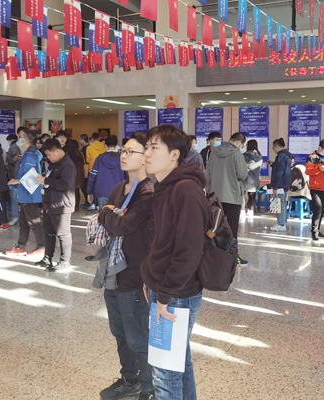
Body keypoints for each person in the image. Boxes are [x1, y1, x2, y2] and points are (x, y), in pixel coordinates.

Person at [141, 124, 208, 400]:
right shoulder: (165, 187)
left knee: (165, 372)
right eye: (146, 147)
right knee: (179, 361)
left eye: (154, 148)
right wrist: (151, 277)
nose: (147, 153)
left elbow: (189, 250)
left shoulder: (185, 190)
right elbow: (162, 241)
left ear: (174, 155)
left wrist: (165, 292)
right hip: (167, 287)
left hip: (177, 292)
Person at [97, 132, 155, 400]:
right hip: (112, 272)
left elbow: (121, 225)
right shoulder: (120, 188)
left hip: (134, 275)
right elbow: (108, 220)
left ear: (146, 157)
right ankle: (129, 379)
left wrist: (108, 213)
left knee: (138, 338)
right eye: (123, 150)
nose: (124, 155)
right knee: (119, 334)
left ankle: (149, 388)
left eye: (131, 151)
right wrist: (110, 214)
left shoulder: (148, 192)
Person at [37, 138, 76, 270]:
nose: (48, 157)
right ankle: (47, 258)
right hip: (49, 203)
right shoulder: (54, 163)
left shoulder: (67, 166)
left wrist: (46, 180)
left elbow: (65, 185)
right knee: (48, 233)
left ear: (57, 151)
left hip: (61, 205)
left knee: (63, 234)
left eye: (49, 155)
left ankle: (65, 261)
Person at [6, 130, 45, 257]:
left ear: (25, 140)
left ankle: (41, 247)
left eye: (20, 138)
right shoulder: (28, 154)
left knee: (34, 222)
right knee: (23, 222)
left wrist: (16, 181)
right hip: (25, 194)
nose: (18, 140)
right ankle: (21, 246)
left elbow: (31, 176)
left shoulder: (30, 156)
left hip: (29, 195)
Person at [205, 132, 248, 240]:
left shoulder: (214, 153)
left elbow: (207, 175)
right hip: (233, 196)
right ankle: (231, 248)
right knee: (232, 225)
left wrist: (209, 192)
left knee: (216, 225)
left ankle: (216, 248)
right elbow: (242, 175)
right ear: (239, 142)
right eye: (241, 145)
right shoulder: (236, 153)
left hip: (216, 197)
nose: (240, 147)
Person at [88, 135, 126, 210]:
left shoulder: (99, 159)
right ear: (116, 145)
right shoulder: (122, 159)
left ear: (105, 145)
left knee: (103, 215)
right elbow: (128, 176)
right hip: (119, 192)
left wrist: (90, 192)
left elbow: (92, 177)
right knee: (117, 215)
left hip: (102, 192)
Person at [267, 138, 293, 232]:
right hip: (285, 183)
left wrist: (275, 186)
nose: (273, 149)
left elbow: (279, 172)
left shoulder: (281, 156)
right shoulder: (287, 155)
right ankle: (282, 223)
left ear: (277, 147)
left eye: (273, 147)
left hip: (280, 184)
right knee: (282, 203)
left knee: (279, 204)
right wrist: (272, 164)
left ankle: (281, 224)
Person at [86, 132, 107, 212]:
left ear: (92, 138)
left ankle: (93, 203)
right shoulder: (104, 146)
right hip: (102, 169)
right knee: (100, 185)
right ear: (99, 138)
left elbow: (88, 160)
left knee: (92, 186)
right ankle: (99, 204)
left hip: (92, 169)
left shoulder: (89, 147)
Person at [242, 139, 263, 218]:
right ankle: (251, 211)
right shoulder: (259, 157)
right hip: (254, 179)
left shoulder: (243, 155)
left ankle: (242, 211)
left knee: (242, 196)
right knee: (252, 196)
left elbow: (242, 166)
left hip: (244, 178)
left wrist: (247, 165)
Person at [6, 132, 22, 226]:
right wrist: (13, 159)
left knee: (24, 199)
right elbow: (8, 159)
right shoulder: (13, 147)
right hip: (15, 176)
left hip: (25, 177)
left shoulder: (30, 148)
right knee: (14, 197)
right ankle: (15, 216)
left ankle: (24, 218)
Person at [69, 139, 86, 211]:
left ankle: (75, 206)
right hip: (80, 172)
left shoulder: (71, 152)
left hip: (74, 173)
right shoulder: (80, 152)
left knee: (75, 191)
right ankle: (77, 206)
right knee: (78, 190)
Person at [79, 134, 91, 208]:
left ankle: (88, 202)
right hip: (91, 169)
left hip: (86, 170)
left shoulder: (84, 150)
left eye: (79, 139)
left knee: (85, 186)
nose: (79, 141)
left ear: (82, 140)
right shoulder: (90, 148)